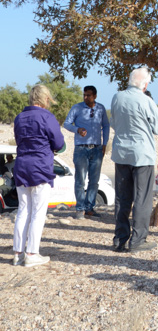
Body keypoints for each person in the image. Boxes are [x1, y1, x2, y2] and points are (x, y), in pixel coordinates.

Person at [111, 67, 158, 253]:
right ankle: (138, 239)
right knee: (142, 198)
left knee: (122, 197)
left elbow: (113, 123)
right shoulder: (146, 100)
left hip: (121, 153)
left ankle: (120, 239)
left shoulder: (117, 97)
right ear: (146, 84)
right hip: (142, 154)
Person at [12, 84, 65, 267]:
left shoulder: (19, 118)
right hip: (40, 167)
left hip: (21, 166)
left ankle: (17, 253)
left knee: (23, 210)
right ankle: (32, 254)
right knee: (38, 212)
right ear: (45, 99)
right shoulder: (46, 117)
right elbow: (58, 142)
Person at [64, 86, 110, 219]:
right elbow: (66, 123)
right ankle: (80, 209)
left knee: (94, 180)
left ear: (95, 96)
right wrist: (77, 129)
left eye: (88, 95)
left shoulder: (100, 108)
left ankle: (90, 208)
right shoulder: (77, 108)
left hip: (96, 148)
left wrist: (105, 143)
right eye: (84, 95)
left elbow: (106, 126)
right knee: (80, 180)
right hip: (81, 149)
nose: (85, 97)